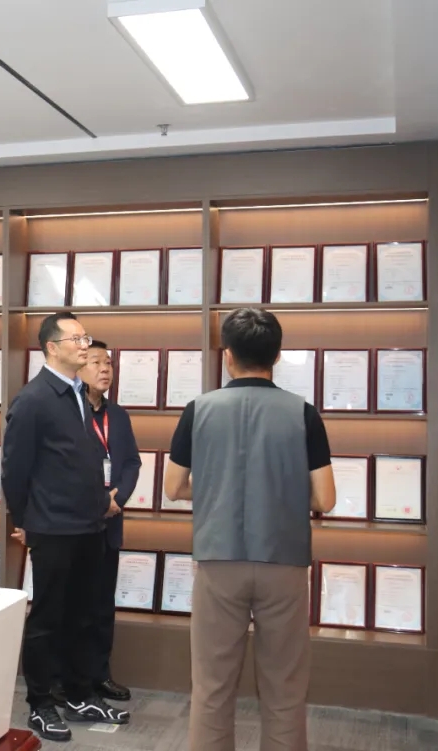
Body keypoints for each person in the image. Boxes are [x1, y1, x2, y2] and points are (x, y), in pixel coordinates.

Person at [163, 308, 336, 751]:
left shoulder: (197, 410)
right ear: (276, 356)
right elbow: (325, 499)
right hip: (284, 561)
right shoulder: (304, 413)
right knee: (284, 687)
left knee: (212, 685)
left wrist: (218, 484)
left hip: (218, 560)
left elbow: (174, 487)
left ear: (227, 356)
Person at [2, 313, 120, 743]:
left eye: (86, 338)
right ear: (52, 347)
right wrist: (25, 521)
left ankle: (79, 693)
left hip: (88, 524)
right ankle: (40, 703)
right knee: (49, 617)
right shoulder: (34, 399)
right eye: (77, 339)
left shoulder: (77, 394)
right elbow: (15, 469)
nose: (85, 346)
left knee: (83, 615)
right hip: (52, 527)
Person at [78, 341, 140, 708]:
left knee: (102, 605)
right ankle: (67, 679)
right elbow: (64, 469)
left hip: (110, 523)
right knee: (74, 606)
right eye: (96, 362)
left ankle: (99, 674)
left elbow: (131, 462)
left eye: (109, 363)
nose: (105, 369)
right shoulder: (68, 413)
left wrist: (118, 499)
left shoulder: (118, 415)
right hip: (76, 523)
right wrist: (101, 501)